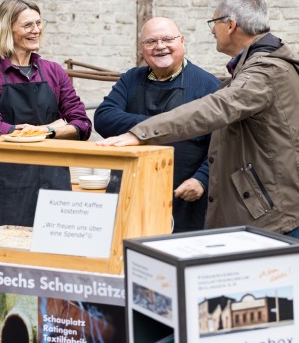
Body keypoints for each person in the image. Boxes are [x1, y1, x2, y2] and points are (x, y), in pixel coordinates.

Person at [98, 0, 299, 238]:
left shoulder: (265, 71)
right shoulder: (259, 65)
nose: (212, 30)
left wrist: (141, 133)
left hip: (275, 207)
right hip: (272, 199)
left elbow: (216, 108)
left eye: (214, 23)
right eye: (151, 41)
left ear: (230, 25)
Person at [0, 0, 92, 229]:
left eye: (38, 23)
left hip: (53, 175)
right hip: (7, 178)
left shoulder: (53, 71)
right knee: (2, 249)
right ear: (7, 29)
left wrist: (44, 131)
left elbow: (82, 124)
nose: (36, 30)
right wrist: (26, 132)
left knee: (54, 250)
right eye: (28, 25)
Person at [94, 17, 220, 233]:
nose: (160, 47)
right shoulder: (131, 78)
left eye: (167, 39)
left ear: (181, 41)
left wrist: (202, 179)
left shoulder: (207, 84)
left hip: (184, 193)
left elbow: (221, 142)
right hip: (132, 189)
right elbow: (104, 118)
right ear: (142, 47)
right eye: (151, 41)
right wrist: (164, 126)